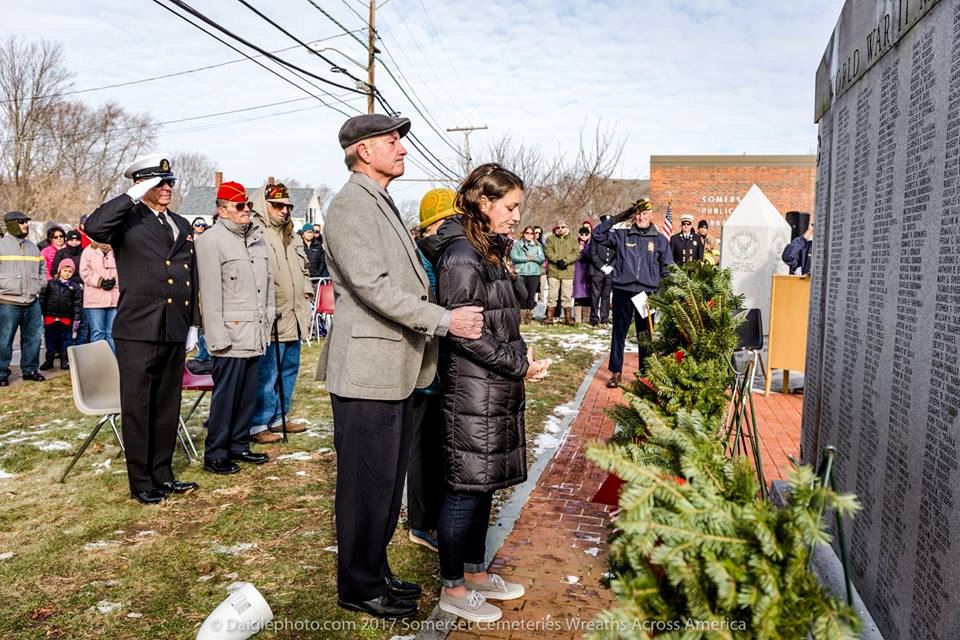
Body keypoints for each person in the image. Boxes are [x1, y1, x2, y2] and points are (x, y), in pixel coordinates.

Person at [320, 113, 484, 620]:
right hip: (368, 369)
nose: (401, 148)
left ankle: (374, 569)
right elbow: (372, 286)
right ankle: (359, 586)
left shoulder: (378, 200)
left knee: (387, 485)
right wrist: (443, 320)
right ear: (363, 151)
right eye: (391, 141)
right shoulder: (350, 204)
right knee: (366, 485)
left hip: (394, 368)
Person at [433, 163, 549, 623]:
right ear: (484, 202)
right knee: (465, 488)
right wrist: (518, 363)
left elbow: (507, 310)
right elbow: (466, 332)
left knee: (484, 487)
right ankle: (452, 586)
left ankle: (476, 572)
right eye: (510, 206)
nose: (517, 215)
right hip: (472, 391)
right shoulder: (462, 253)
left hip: (494, 388)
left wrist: (522, 356)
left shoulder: (489, 249)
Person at [85, 153, 200, 505]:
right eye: (157, 182)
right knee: (138, 405)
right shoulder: (127, 220)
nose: (166, 188)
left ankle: (163, 473)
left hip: (173, 325)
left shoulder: (179, 222)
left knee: (167, 404)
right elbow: (94, 227)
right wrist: (133, 195)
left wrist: (193, 322)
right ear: (141, 184)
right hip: (138, 327)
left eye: (169, 182)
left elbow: (189, 276)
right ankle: (141, 480)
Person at [196, 180, 275, 475]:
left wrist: (266, 321)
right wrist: (216, 336)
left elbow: (265, 287)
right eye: (240, 206)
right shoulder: (211, 240)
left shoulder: (255, 237)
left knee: (247, 395)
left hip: (254, 329)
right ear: (223, 211)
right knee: (226, 397)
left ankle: (239, 444)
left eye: (248, 206)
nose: (246, 211)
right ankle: (216, 452)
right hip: (230, 332)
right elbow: (210, 292)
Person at [407, 187, 459, 552]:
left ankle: (434, 514)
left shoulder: (441, 253)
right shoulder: (424, 256)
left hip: (445, 363)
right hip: (425, 364)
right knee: (423, 446)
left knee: (439, 443)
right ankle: (422, 522)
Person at [249, 183, 313, 445]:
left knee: (289, 368)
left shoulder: (293, 235)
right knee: (267, 373)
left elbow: (304, 270)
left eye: (288, 206)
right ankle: (259, 423)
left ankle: (279, 417)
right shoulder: (256, 232)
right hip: (272, 316)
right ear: (264, 205)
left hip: (294, 314)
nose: (284, 211)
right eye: (278, 205)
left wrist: (307, 293)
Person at [592, 198, 673, 388]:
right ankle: (616, 372)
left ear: (651, 215)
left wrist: (662, 291)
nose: (640, 217)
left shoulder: (659, 239)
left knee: (645, 335)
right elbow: (597, 235)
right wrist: (620, 216)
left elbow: (667, 267)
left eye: (644, 214)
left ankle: (645, 374)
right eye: (637, 214)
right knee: (618, 332)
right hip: (623, 291)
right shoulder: (622, 235)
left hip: (646, 294)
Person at [0, 211, 47, 386]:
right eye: (21, 222)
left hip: (32, 301)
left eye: (26, 222)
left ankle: (30, 370)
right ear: (11, 224)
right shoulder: (1, 245)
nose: (26, 225)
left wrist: (41, 284)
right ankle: (1, 373)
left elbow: (43, 268)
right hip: (7, 302)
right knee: (4, 339)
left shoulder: (33, 247)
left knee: (34, 337)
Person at [40, 258, 83, 370]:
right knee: (50, 340)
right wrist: (42, 313)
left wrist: (76, 318)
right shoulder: (50, 284)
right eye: (65, 270)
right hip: (50, 317)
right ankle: (49, 360)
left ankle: (65, 360)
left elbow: (77, 304)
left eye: (70, 272)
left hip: (66, 318)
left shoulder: (75, 287)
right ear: (60, 270)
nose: (67, 273)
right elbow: (43, 299)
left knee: (66, 340)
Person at [79, 241, 119, 352]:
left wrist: (115, 281)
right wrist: (99, 281)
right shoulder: (88, 250)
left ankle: (114, 363)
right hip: (94, 299)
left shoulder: (118, 248)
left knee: (113, 332)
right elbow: (84, 271)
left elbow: (125, 268)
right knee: (97, 332)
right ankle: (99, 364)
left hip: (114, 298)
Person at [543, 220, 579, 324]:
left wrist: (566, 261)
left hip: (567, 271)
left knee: (566, 296)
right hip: (554, 271)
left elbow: (576, 252)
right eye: (558, 227)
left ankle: (567, 318)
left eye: (563, 227)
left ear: (567, 227)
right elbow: (548, 251)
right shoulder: (550, 238)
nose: (560, 229)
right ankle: (549, 317)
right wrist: (557, 260)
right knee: (552, 295)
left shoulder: (573, 239)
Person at [509, 225, 545, 324]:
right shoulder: (518, 244)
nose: (529, 235)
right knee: (522, 295)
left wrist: (533, 258)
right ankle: (520, 316)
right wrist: (526, 258)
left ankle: (528, 318)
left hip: (534, 273)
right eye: (527, 233)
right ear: (523, 234)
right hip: (521, 272)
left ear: (534, 235)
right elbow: (513, 256)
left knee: (531, 296)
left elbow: (541, 258)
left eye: (531, 233)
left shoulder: (538, 246)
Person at [587, 214, 615, 326]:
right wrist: (602, 267)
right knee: (595, 294)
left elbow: (618, 253)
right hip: (597, 270)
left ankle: (604, 317)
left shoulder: (614, 236)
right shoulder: (595, 236)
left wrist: (611, 266)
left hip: (610, 270)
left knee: (606, 295)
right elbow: (592, 253)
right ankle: (594, 317)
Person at [572, 225, 593, 324]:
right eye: (582, 234)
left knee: (588, 294)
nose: (584, 236)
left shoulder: (592, 243)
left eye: (586, 234)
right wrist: (578, 251)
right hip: (578, 271)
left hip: (588, 271)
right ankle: (577, 318)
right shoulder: (575, 244)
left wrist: (584, 251)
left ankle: (586, 318)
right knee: (578, 294)